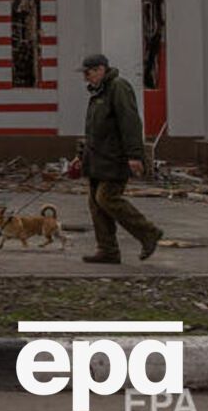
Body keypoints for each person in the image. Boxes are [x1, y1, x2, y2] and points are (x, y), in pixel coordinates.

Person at [70, 54, 163, 264]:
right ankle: (108, 250)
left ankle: (148, 232)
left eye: (88, 72)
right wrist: (81, 155)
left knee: (107, 198)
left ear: (100, 69)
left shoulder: (118, 88)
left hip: (114, 158)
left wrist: (134, 155)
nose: (86, 78)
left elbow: (130, 122)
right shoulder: (99, 93)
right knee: (95, 202)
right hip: (97, 159)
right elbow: (94, 130)